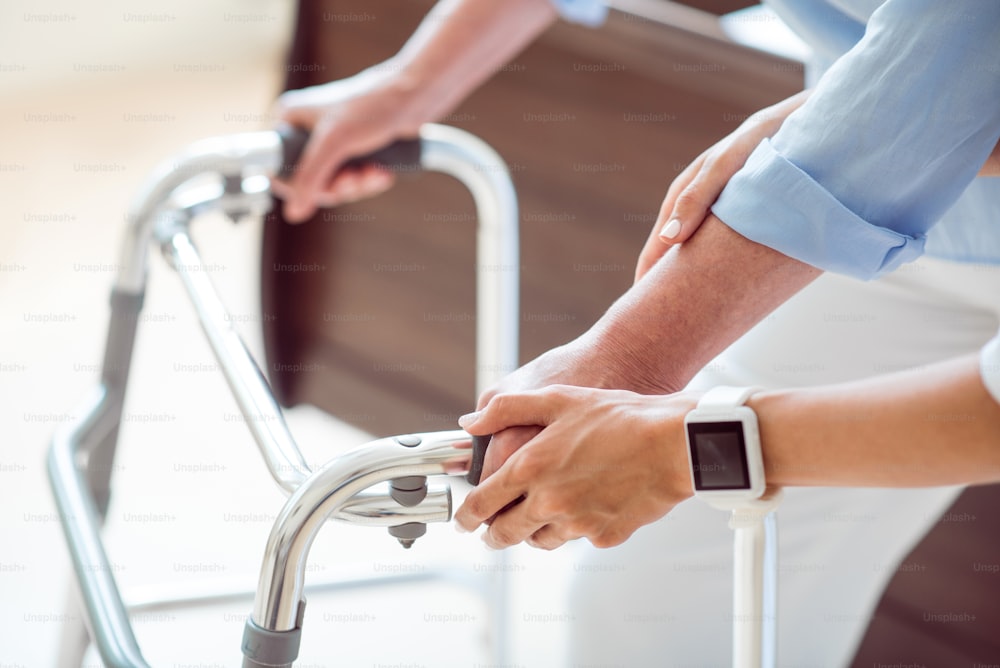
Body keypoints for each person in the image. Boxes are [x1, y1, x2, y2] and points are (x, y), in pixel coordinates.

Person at [272, 0, 1000, 664]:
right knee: (650, 612)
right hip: (915, 233)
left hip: (891, 217)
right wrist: (409, 86)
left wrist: (662, 414)